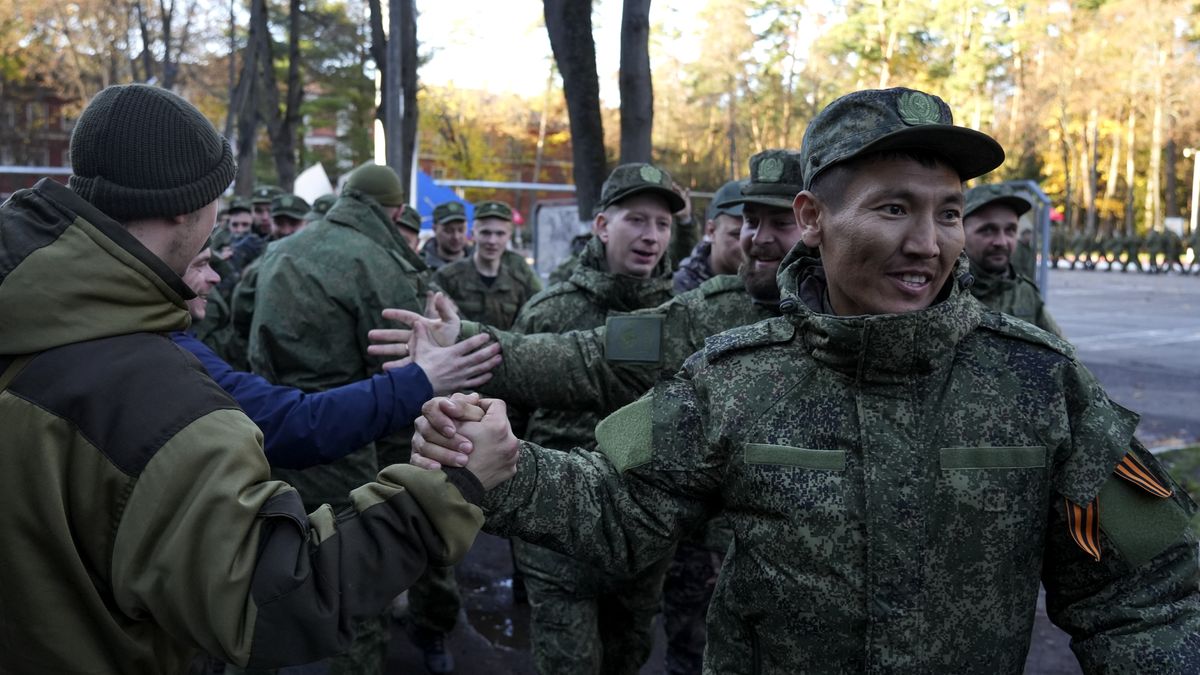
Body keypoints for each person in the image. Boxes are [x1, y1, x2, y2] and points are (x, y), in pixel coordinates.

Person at [411, 88, 1200, 673]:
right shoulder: (728, 365)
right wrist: (508, 465)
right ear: (814, 219)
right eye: (893, 208)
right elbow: (615, 483)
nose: (928, 242)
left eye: (949, 212)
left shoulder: (1036, 377)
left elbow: (1147, 591)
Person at [0, 83, 485, 675]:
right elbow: (274, 602)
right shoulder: (157, 393)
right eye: (216, 199)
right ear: (188, 205)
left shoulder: (35, 305)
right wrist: (452, 489)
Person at [375, 151, 808, 675]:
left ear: (817, 221)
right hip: (577, 523)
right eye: (750, 221)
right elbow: (581, 356)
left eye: (780, 222)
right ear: (601, 226)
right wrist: (465, 342)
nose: (759, 238)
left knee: (630, 652)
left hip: (676, 552)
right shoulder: (700, 312)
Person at [248, 161, 446, 674]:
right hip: (346, 437)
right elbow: (404, 371)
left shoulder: (279, 251)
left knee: (265, 574)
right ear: (396, 211)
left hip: (270, 431)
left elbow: (248, 337)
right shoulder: (379, 264)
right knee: (355, 584)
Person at [511, 162, 684, 675]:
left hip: (644, 542)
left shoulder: (681, 316)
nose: (651, 236)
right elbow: (511, 418)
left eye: (662, 224)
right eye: (636, 220)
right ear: (604, 226)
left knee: (628, 656)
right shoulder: (549, 312)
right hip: (555, 540)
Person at [176, 243, 500, 469]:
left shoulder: (162, 338)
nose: (216, 277)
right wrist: (421, 379)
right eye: (201, 264)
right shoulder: (172, 354)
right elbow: (293, 423)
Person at [961, 182, 1062, 336]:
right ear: (960, 232)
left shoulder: (1025, 293)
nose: (1001, 242)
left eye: (1010, 230)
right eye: (988, 230)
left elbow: (1063, 353)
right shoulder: (942, 292)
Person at [432, 200, 542, 330]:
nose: (492, 241)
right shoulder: (447, 277)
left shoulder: (521, 277)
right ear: (473, 234)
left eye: (500, 234)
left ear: (509, 236)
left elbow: (536, 317)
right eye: (485, 233)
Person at [673, 179, 747, 292]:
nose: (749, 242)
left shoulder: (770, 283)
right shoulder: (681, 289)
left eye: (753, 232)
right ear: (711, 231)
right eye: (737, 234)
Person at [422, 201, 472, 270]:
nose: (456, 237)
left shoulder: (480, 265)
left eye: (461, 230)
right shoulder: (421, 266)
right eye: (448, 230)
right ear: (434, 229)